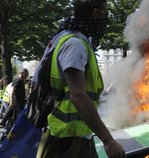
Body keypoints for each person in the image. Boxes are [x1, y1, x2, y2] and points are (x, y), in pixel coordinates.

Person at [36, 0, 125, 158]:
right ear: (96, 13)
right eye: (105, 13)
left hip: (79, 135)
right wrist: (108, 140)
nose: (106, 19)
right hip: (66, 139)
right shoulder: (75, 44)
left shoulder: (70, 40)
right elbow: (77, 95)